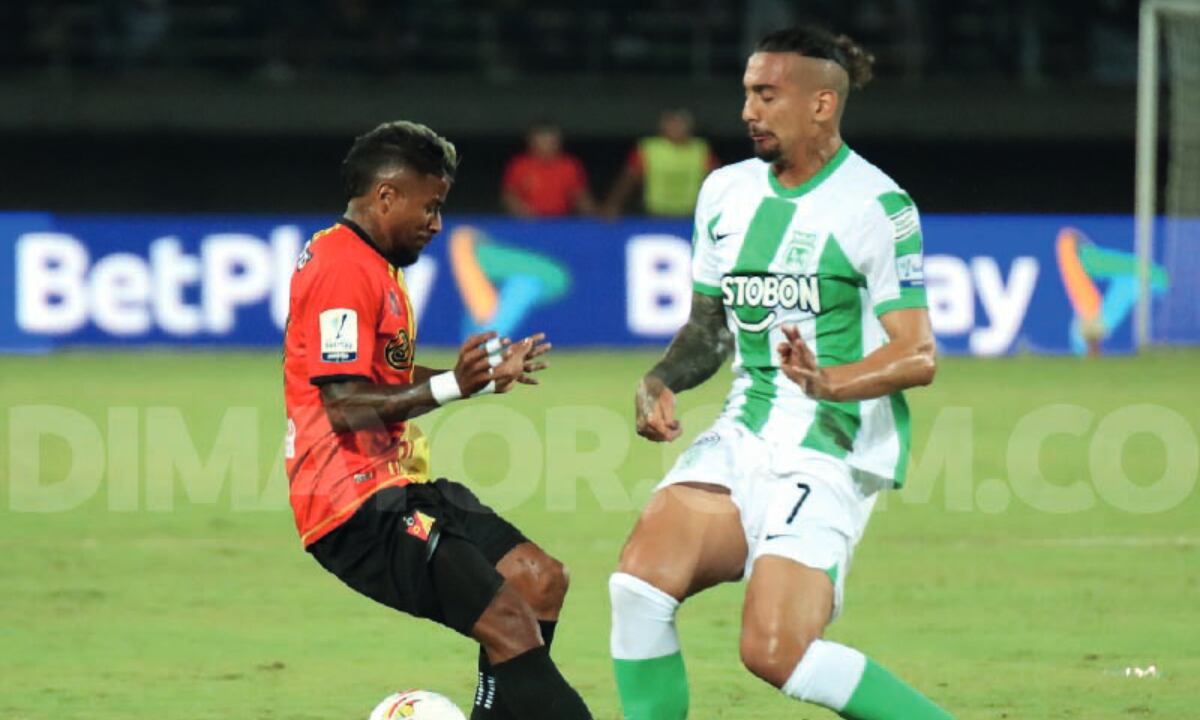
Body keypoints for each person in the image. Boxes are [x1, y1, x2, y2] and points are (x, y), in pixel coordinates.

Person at [609, 27, 953, 720]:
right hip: (745, 430)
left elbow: (917, 354)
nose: (747, 111)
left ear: (822, 104)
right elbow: (709, 329)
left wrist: (832, 381)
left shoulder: (876, 207)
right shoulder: (726, 192)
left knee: (776, 654)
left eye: (766, 95)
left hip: (830, 447)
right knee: (637, 587)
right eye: (746, 94)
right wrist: (660, 380)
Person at [283, 121, 593, 720]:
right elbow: (344, 405)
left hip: (395, 485)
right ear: (387, 197)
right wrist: (454, 385)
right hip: (352, 507)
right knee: (507, 623)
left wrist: (475, 374)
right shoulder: (342, 267)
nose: (437, 223)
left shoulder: (375, 265)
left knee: (538, 581)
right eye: (430, 207)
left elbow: (382, 376)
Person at [603, 108, 719, 218]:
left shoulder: (700, 150)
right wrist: (614, 205)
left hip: (690, 216)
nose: (676, 127)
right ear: (663, 126)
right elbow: (628, 180)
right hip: (655, 215)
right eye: (672, 122)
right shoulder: (649, 148)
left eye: (680, 123)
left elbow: (718, 182)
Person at [501, 121, 597, 217]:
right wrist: (520, 209)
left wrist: (594, 212)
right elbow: (509, 195)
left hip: (560, 221)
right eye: (542, 141)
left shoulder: (570, 166)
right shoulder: (519, 165)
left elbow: (580, 197)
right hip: (527, 222)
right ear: (531, 142)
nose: (547, 146)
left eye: (552, 141)